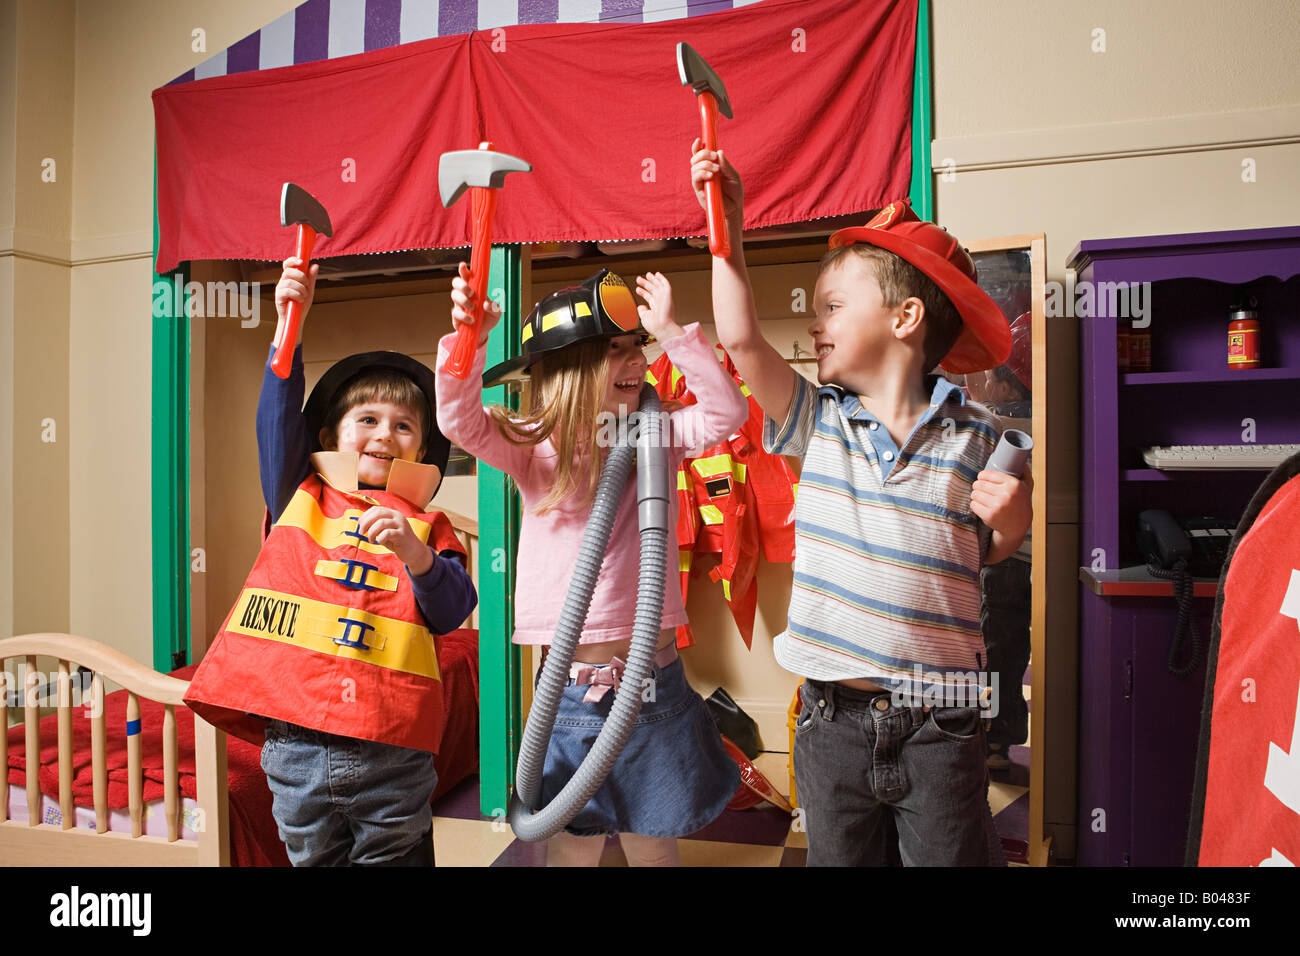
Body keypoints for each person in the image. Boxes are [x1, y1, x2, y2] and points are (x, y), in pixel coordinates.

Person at [691, 143, 1032, 866]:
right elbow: (741, 337)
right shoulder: (818, 420)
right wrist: (728, 232)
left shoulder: (979, 436)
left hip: (943, 724)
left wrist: (1012, 523)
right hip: (832, 719)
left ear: (906, 317)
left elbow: (982, 550)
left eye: (833, 307)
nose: (815, 325)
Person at [437, 265, 746, 866]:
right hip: (571, 694)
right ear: (570, 367)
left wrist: (675, 334)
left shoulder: (655, 434)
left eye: (638, 349)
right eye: (614, 351)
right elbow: (460, 421)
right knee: (571, 839)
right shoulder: (534, 447)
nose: (635, 363)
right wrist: (468, 342)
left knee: (652, 836)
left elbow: (726, 415)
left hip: (652, 684)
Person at [184, 256, 477, 866]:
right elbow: (274, 424)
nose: (383, 434)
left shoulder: (430, 523)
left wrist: (416, 553)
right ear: (329, 437)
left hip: (391, 742)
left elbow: (452, 611)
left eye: (403, 426)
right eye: (366, 419)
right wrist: (289, 326)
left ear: (422, 449)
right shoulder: (299, 491)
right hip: (296, 741)